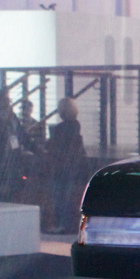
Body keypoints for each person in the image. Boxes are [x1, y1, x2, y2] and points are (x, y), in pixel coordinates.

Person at [47, 97, 87, 233]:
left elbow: (52, 146)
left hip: (60, 167)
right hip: (71, 166)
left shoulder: (60, 129)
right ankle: (65, 224)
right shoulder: (76, 126)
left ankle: (60, 224)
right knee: (67, 196)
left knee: (59, 197)